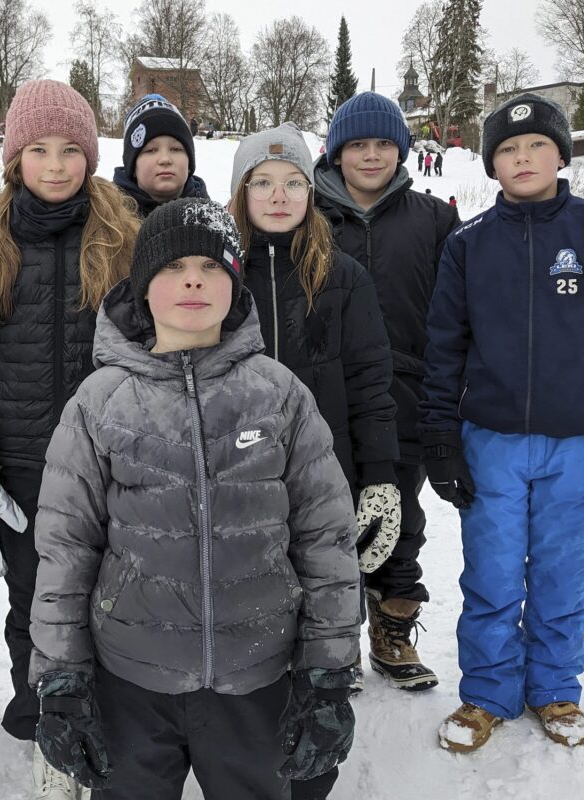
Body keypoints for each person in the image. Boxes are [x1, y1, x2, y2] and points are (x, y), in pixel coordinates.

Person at [28, 198, 362, 800]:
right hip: (131, 680)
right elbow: (64, 550)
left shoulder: (279, 395)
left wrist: (327, 671)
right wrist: (61, 680)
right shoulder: (98, 403)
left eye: (211, 267)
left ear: (234, 282)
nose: (192, 279)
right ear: (141, 287)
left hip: (256, 676)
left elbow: (326, 540)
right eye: (173, 266)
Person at [421, 94, 584, 753]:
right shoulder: (467, 245)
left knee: (562, 573)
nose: (523, 158)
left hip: (577, 441)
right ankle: (488, 694)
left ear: (563, 154)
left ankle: (555, 688)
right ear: (492, 164)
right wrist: (440, 435)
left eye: (536, 147)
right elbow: (443, 347)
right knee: (491, 575)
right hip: (490, 439)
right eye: (508, 149)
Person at [0, 79, 141, 798]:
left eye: (70, 150)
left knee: (112, 598)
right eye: (38, 150)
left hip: (112, 462)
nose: (55, 165)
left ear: (90, 156)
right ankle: (46, 726)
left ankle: (114, 721)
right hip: (23, 465)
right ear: (15, 158)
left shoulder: (124, 239)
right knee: (34, 604)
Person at [228, 122, 399, 800]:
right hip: (236, 491)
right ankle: (243, 759)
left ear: (310, 189)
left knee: (322, 630)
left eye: (292, 182)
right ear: (241, 193)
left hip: (325, 490)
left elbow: (372, 386)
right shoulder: (214, 272)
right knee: (248, 631)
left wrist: (381, 478)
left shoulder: (342, 276)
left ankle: (311, 769)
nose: (278, 195)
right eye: (262, 183)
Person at [314, 91, 459, 694]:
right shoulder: (309, 215)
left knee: (398, 515)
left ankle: (393, 626)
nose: (370, 156)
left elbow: (458, 313)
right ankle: (330, 638)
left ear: (401, 149)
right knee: (320, 519)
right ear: (336, 152)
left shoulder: (432, 220)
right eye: (357, 145)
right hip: (323, 393)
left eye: (382, 144)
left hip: (406, 394)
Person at [112, 94, 209, 217]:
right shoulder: (107, 219)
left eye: (176, 149)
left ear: (189, 162)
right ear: (132, 166)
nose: (165, 159)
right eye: (151, 150)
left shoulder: (211, 219)